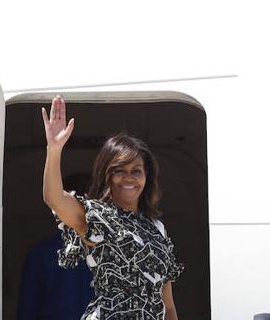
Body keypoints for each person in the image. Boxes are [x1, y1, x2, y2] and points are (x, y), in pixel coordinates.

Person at [41, 95, 184, 320]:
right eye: (120, 170)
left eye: (136, 170)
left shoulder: (157, 228)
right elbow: (54, 199)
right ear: (107, 175)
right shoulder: (98, 217)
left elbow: (169, 306)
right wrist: (54, 149)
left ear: (147, 177)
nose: (129, 178)